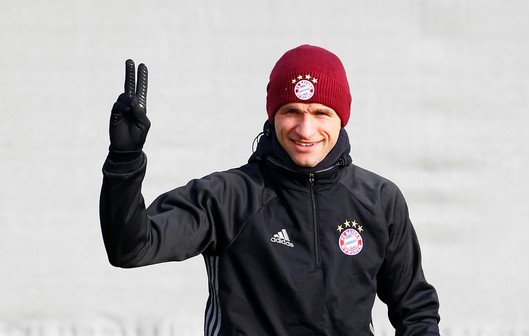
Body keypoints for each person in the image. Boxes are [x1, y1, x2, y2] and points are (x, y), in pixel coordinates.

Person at [100, 45, 440, 336]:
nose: (306, 129)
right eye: (292, 111)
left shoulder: (379, 200)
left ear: (342, 118)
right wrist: (125, 161)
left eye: (321, 113)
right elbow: (131, 247)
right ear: (272, 115)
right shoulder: (226, 197)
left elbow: (415, 309)